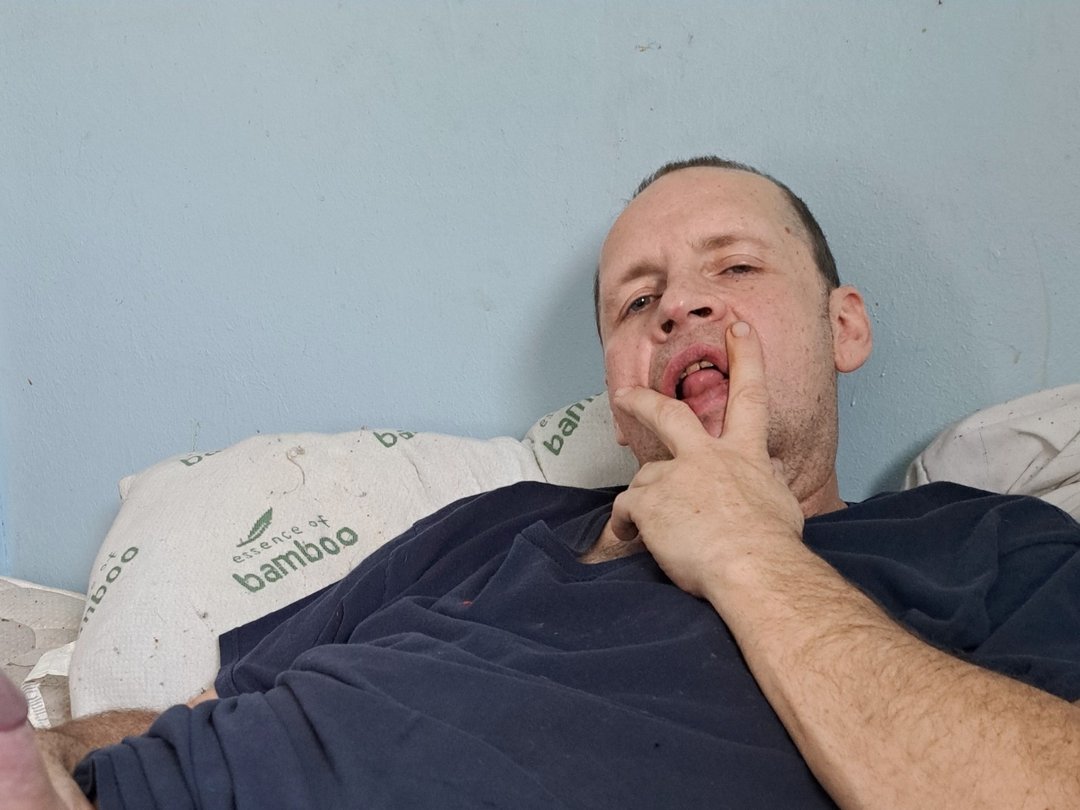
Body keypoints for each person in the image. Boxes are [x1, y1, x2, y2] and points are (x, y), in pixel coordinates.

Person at [3, 157, 1080, 809]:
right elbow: (204, 713)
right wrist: (48, 754)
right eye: (638, 300)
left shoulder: (990, 548)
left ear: (845, 327)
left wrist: (748, 548)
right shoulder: (488, 527)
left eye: (735, 268)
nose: (678, 306)